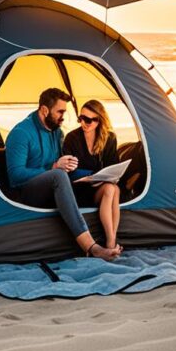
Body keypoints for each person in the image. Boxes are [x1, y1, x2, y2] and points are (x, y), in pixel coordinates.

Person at [5, 88, 120, 260]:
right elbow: (15, 176)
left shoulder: (58, 133)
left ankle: (110, 242)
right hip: (27, 192)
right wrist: (54, 167)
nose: (63, 117)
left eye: (64, 112)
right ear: (44, 110)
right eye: (60, 111)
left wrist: (92, 176)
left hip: (56, 190)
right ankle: (91, 247)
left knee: (106, 187)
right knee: (58, 175)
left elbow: (64, 169)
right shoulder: (21, 133)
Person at [62, 100, 122, 254]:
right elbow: (68, 172)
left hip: (101, 188)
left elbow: (113, 166)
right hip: (79, 189)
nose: (84, 123)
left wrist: (109, 177)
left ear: (99, 120)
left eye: (89, 120)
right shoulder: (72, 138)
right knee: (111, 189)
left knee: (113, 188)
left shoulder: (109, 138)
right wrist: (91, 176)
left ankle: (110, 241)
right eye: (81, 118)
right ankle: (111, 244)